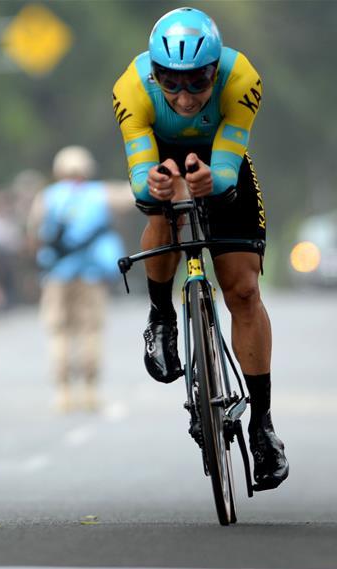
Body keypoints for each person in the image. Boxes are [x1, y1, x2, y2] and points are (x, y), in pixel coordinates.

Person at [112, 7, 288, 490]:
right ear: (154, 74)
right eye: (171, 83)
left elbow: (227, 175)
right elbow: (140, 182)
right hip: (160, 156)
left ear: (216, 71)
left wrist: (214, 179)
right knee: (157, 207)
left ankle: (262, 426)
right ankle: (162, 318)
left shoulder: (242, 78)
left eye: (196, 82)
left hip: (221, 161)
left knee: (244, 292)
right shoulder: (131, 88)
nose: (185, 97)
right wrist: (157, 185)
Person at [28, 146, 126, 413]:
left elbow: (34, 231)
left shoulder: (47, 197)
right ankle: (91, 391)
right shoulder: (100, 194)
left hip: (57, 274)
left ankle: (64, 392)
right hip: (91, 274)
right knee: (91, 330)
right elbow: (134, 195)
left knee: (59, 331)